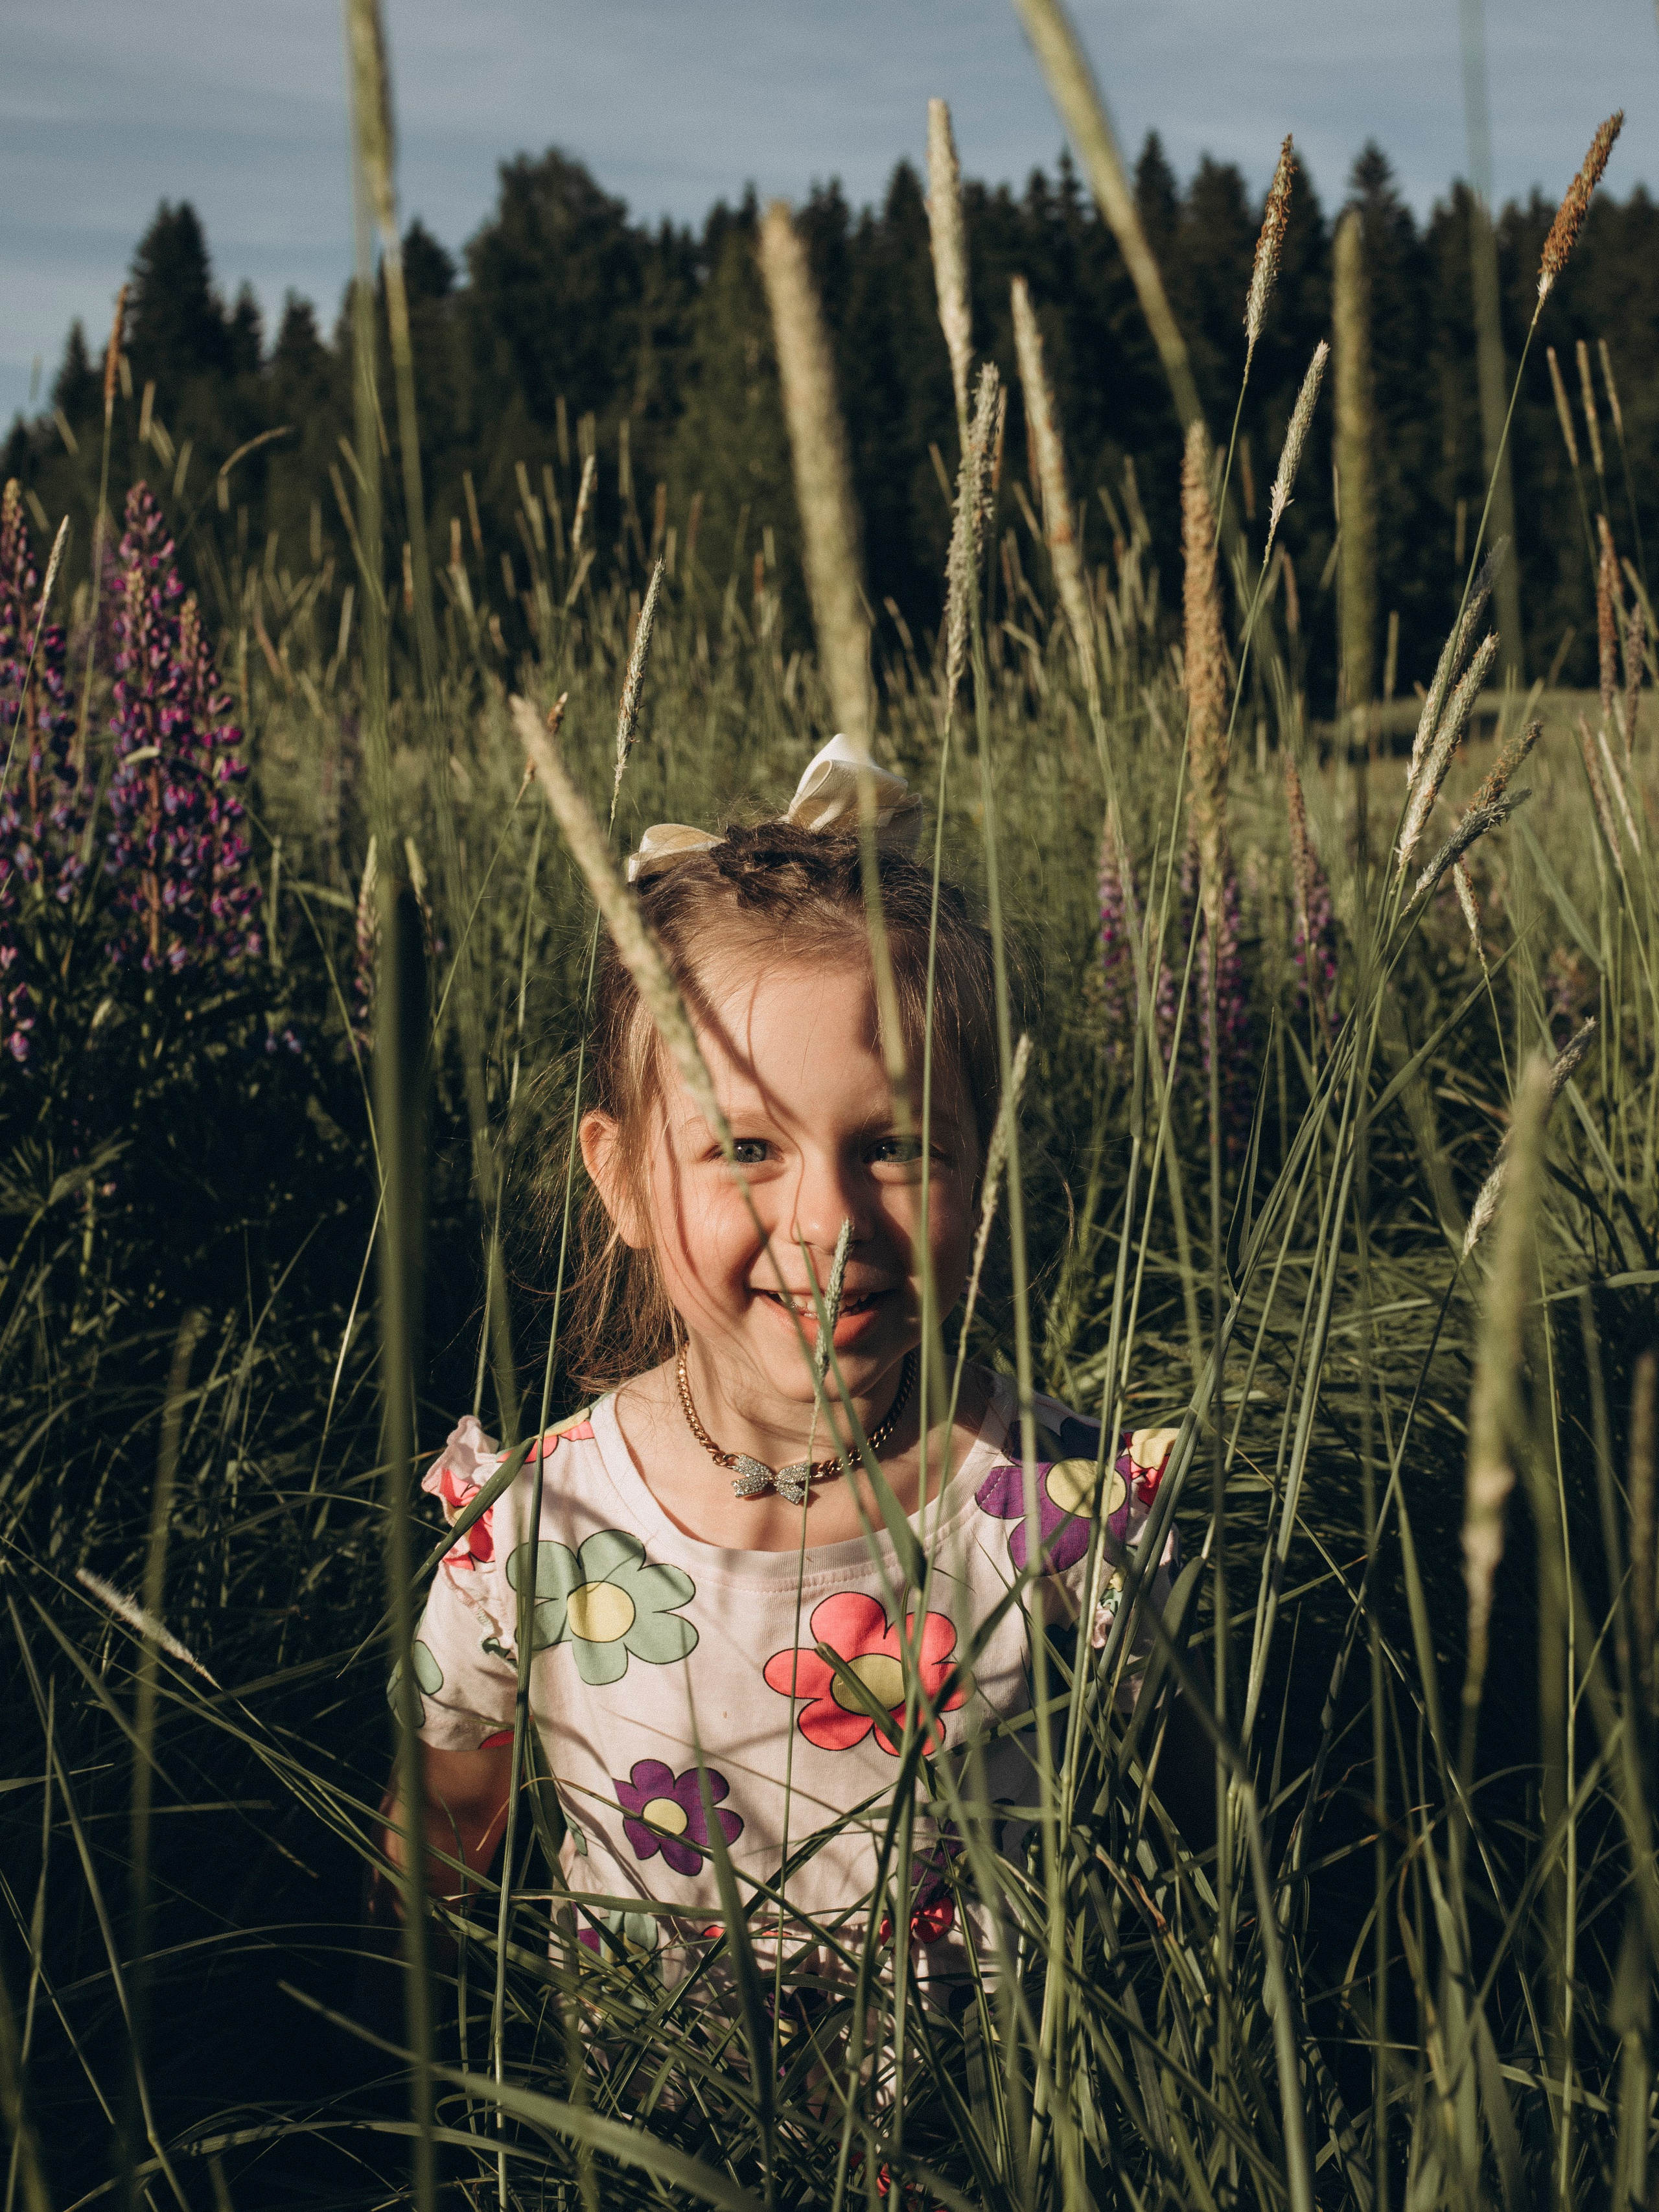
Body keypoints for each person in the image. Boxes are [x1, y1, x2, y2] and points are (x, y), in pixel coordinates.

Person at [377, 734, 1199, 2001]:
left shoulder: (1064, 1520)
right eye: (745, 1148)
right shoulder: (538, 1528)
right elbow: (440, 1838)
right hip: (652, 2151)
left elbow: (1162, 1870)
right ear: (623, 1179)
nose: (826, 1220)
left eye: (896, 1145)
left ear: (984, 1174)